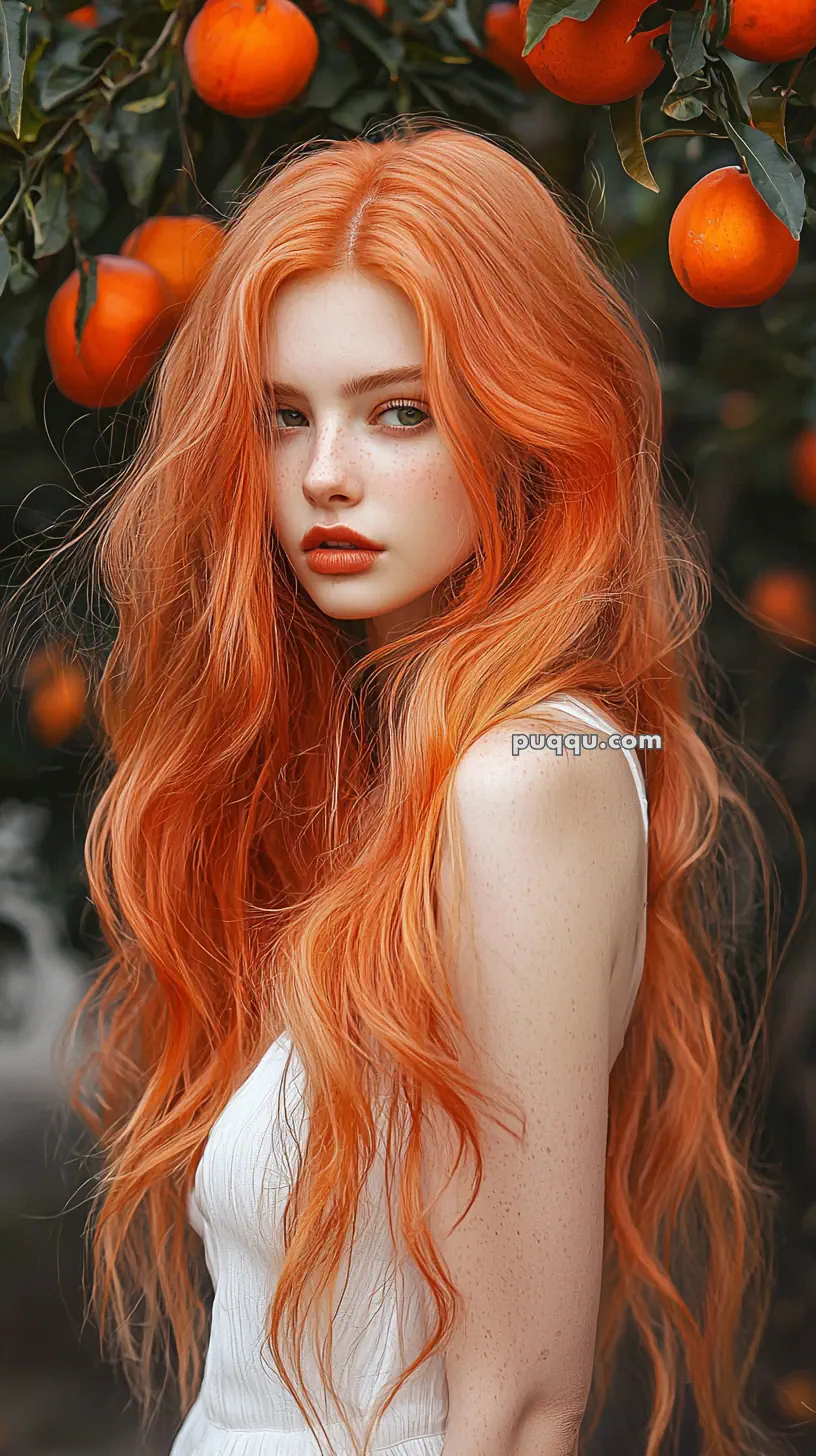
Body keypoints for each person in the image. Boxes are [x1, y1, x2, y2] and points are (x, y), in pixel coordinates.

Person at [21, 118, 800, 1456]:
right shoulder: (408, 774)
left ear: (523, 425)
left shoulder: (525, 778)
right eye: (284, 417)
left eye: (398, 411)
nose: (325, 475)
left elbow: (523, 1404)